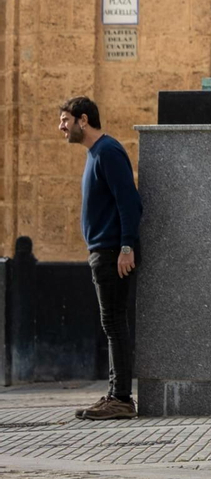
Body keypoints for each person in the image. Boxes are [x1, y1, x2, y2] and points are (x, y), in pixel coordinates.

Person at [60, 96, 142, 421]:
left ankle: (121, 398)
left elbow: (130, 202)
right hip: (103, 252)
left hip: (112, 253)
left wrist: (126, 247)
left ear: (83, 120)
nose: (61, 127)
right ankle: (115, 394)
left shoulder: (108, 151)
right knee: (112, 324)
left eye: (65, 120)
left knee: (115, 323)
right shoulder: (95, 153)